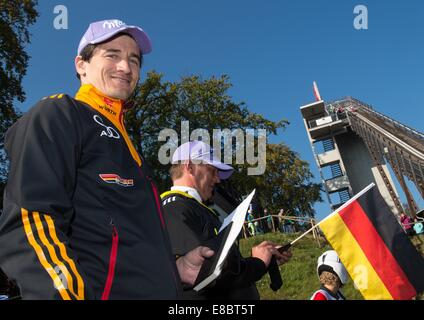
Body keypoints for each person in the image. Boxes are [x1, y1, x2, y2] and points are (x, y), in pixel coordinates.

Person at [0, 19, 213, 300]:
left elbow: (117, 244)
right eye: (112, 55)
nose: (126, 67)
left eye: (134, 60)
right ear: (81, 65)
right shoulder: (59, 114)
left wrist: (175, 269)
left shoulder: (129, 147)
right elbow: (32, 224)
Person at [161, 141, 292, 299]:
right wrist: (257, 263)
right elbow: (202, 273)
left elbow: (218, 271)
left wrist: (263, 260)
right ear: (190, 167)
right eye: (213, 171)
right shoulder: (176, 207)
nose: (217, 179)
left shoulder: (191, 208)